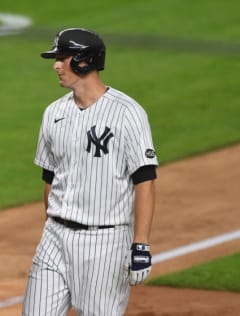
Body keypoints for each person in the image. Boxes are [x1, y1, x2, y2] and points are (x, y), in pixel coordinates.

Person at [22, 28, 158, 316]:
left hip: (105, 245)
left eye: (62, 58)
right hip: (54, 239)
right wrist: (52, 228)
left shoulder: (127, 113)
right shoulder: (53, 113)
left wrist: (141, 244)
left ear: (83, 61)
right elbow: (49, 180)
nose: (55, 65)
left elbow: (144, 180)